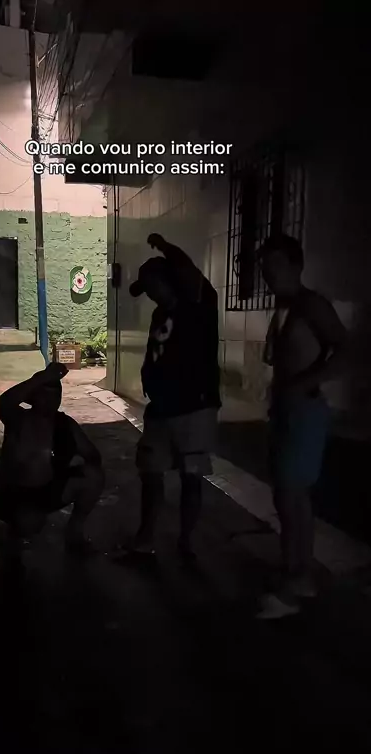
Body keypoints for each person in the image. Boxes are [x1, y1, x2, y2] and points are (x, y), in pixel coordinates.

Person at [256, 234, 347, 619]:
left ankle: (298, 580)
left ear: (296, 266)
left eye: (276, 265)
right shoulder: (285, 307)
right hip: (285, 410)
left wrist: (306, 382)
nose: (268, 273)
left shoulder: (312, 304)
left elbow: (346, 349)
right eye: (265, 267)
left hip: (305, 411)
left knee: (294, 497)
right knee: (285, 496)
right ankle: (294, 569)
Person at [128, 233, 221, 562]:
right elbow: (157, 350)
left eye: (153, 285)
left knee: (190, 476)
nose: (150, 293)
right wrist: (147, 375)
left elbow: (187, 268)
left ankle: (186, 542)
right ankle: (145, 538)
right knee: (150, 471)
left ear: (168, 279)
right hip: (161, 409)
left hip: (194, 408)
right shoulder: (159, 314)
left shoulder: (198, 303)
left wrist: (165, 246)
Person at [0, 362, 104, 556]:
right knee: (28, 526)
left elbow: (93, 455)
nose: (51, 400)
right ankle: (14, 533)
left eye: (56, 394)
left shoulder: (65, 424)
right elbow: (6, 401)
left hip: (48, 489)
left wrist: (70, 461)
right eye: (45, 394)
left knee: (93, 476)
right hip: (14, 494)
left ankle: (75, 531)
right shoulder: (18, 419)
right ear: (32, 396)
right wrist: (43, 377)